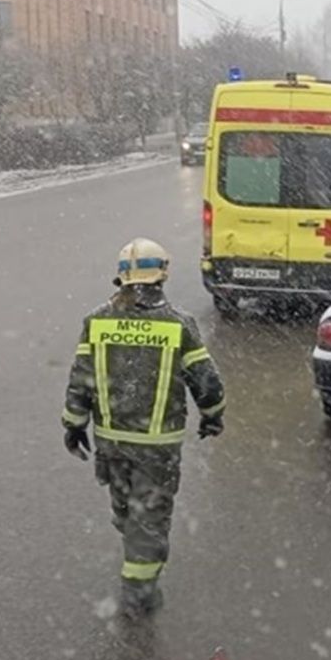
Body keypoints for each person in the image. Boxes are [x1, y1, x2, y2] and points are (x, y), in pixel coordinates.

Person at [61, 238, 225, 619]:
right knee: (149, 520)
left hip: (111, 442)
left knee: (126, 511)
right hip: (157, 447)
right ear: (162, 275)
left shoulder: (97, 321)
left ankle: (136, 559)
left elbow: (80, 378)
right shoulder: (178, 325)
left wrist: (73, 423)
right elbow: (206, 380)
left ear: (122, 277)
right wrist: (213, 414)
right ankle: (138, 594)